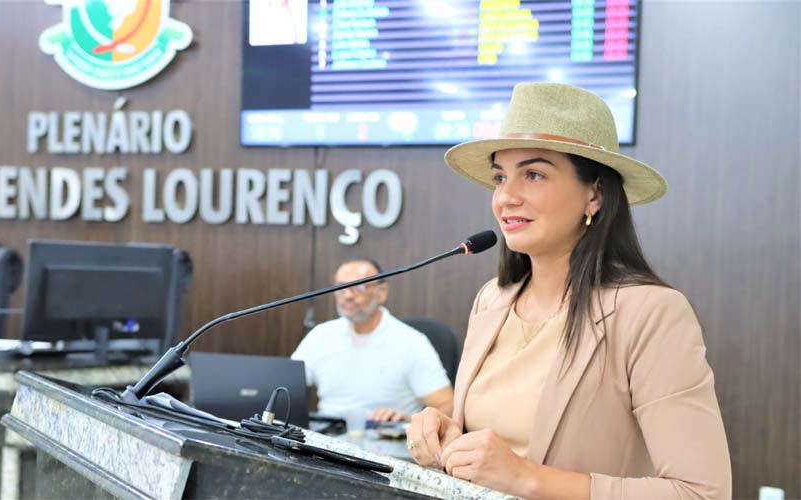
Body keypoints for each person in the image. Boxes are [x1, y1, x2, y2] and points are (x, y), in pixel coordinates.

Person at [405, 83, 732, 499]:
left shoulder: (650, 312)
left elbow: (701, 493)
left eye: (534, 174)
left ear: (594, 194)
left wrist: (526, 477)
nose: (506, 197)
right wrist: (449, 434)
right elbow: (492, 445)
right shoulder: (492, 300)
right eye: (500, 178)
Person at [292, 259, 453, 424]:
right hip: (325, 433)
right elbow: (286, 385)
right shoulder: (320, 335)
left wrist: (407, 420)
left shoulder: (412, 342)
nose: (348, 295)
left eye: (359, 287)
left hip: (384, 435)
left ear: (382, 292)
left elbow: (447, 406)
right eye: (341, 288)